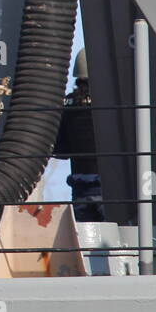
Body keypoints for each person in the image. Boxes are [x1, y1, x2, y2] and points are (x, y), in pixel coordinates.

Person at [53, 49, 104, 222]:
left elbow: (61, 151)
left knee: (86, 242)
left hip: (80, 188)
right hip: (109, 188)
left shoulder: (68, 105)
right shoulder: (111, 102)